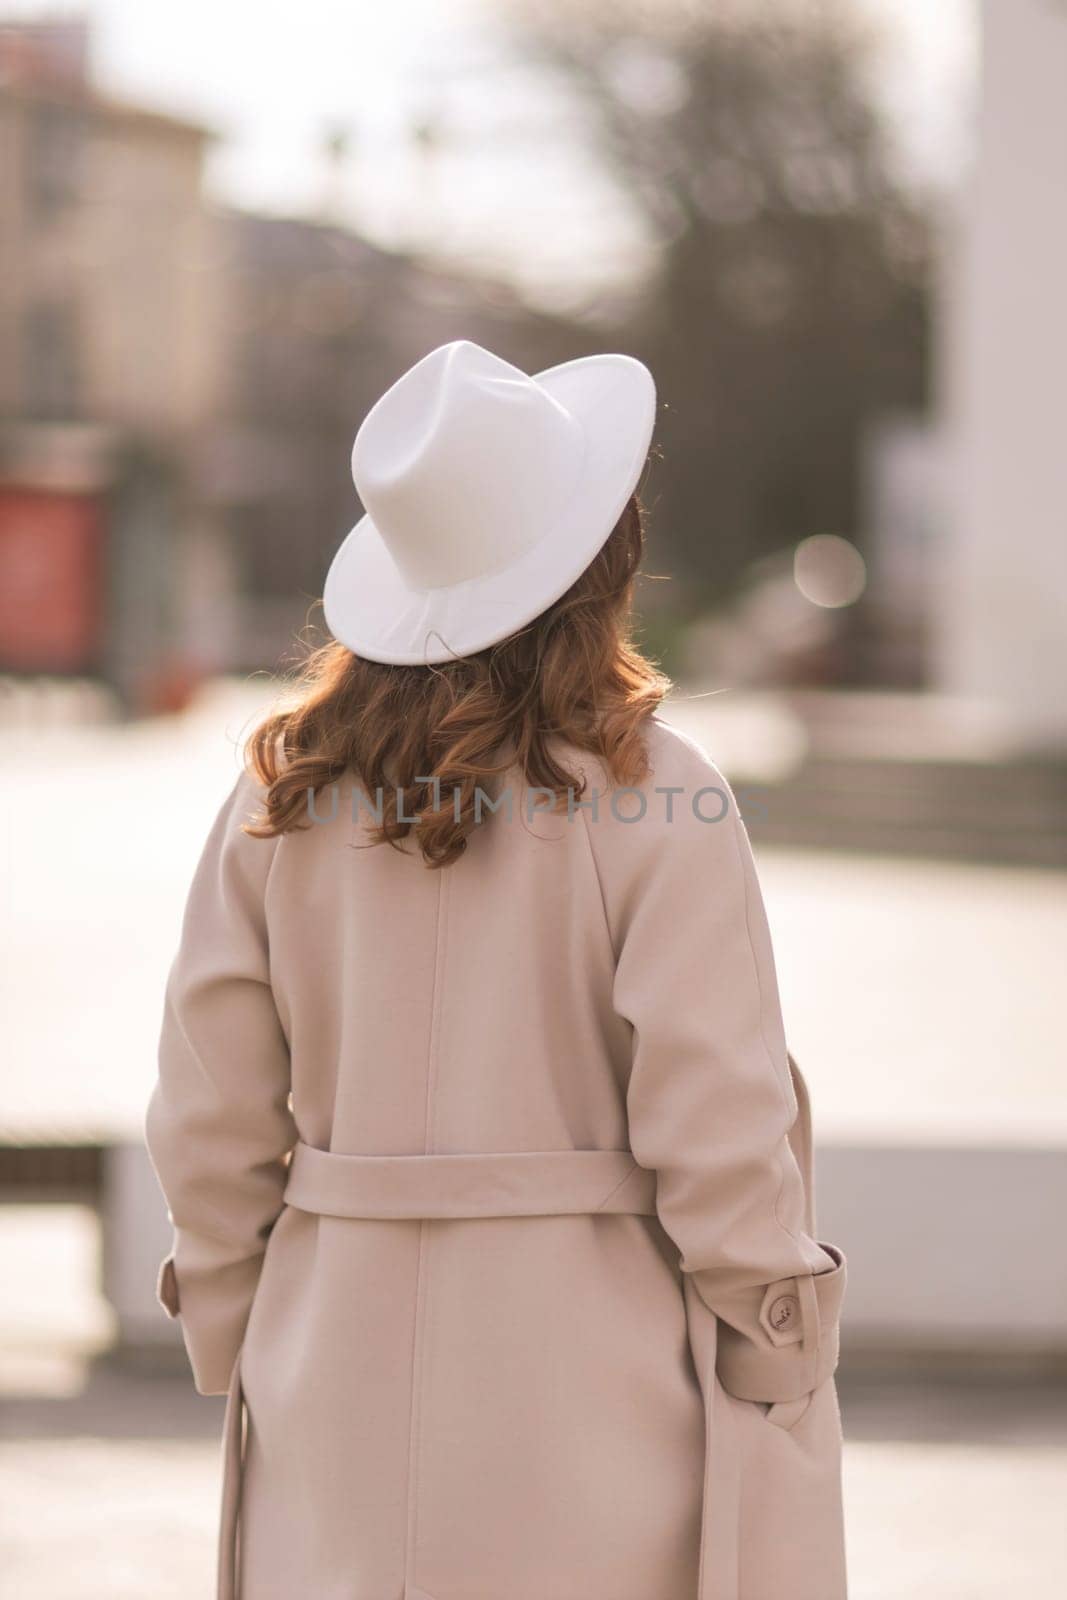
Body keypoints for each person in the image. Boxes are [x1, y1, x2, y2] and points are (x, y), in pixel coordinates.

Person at [144, 340, 848, 1600]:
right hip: (594, 1388)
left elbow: (208, 1117)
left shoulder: (279, 795)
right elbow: (716, 1112)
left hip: (332, 1370)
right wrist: (774, 1342)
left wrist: (237, 1328)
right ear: (601, 560)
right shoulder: (656, 791)